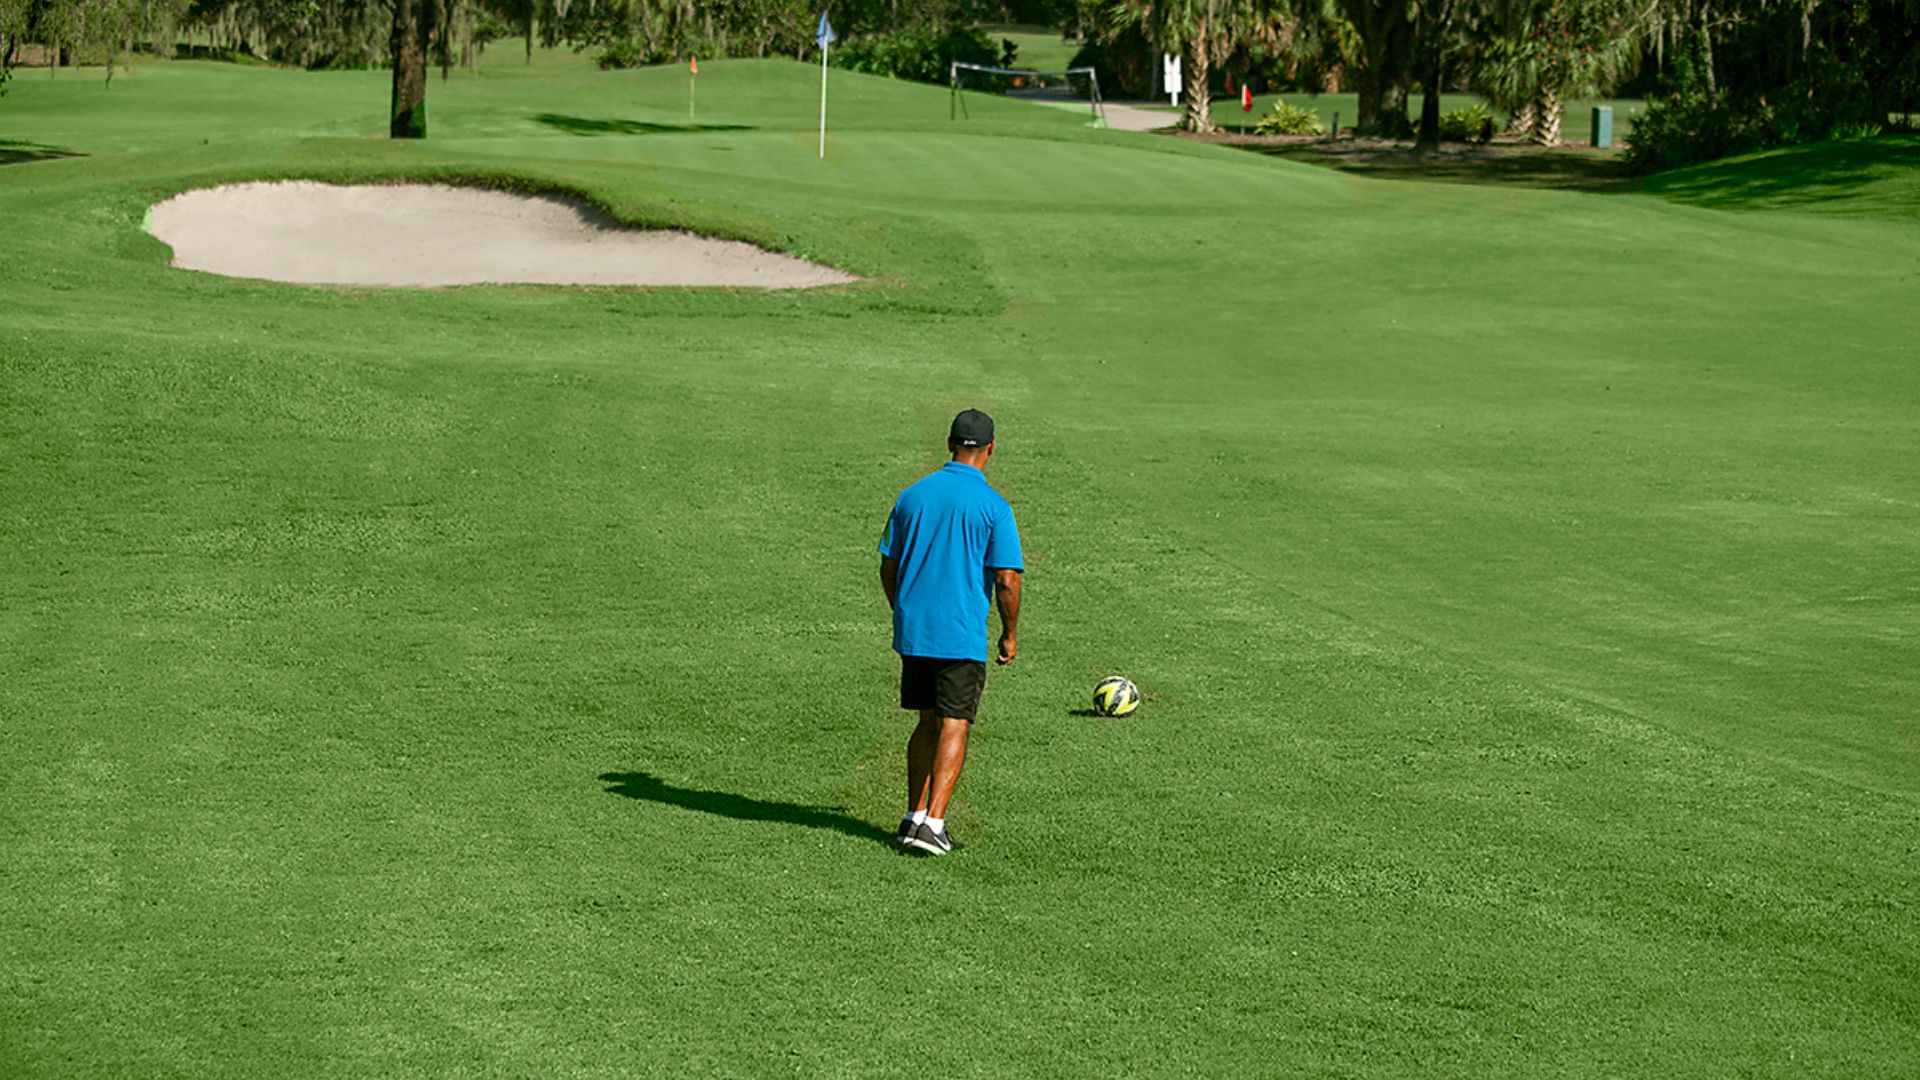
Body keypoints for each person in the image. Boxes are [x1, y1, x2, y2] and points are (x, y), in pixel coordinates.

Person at [878, 409, 1023, 855]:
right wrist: (1009, 634)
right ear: (991, 449)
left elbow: (888, 565)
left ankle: (912, 818)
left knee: (926, 721)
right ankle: (933, 826)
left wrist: (903, 609)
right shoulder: (994, 506)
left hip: (915, 631)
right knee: (954, 723)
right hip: (959, 634)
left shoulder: (911, 496)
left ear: (949, 444)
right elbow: (1006, 580)